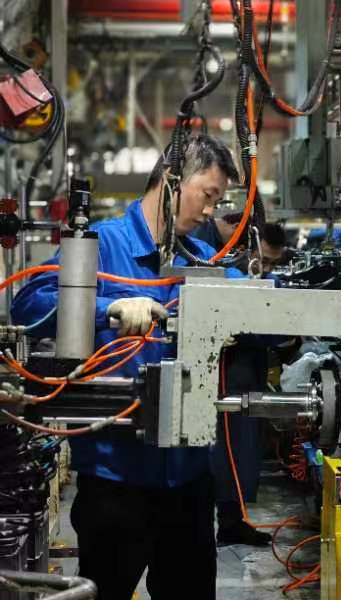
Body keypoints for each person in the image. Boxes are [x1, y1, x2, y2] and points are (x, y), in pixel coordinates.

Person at [11, 135, 242, 600]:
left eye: (218, 201)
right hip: (115, 482)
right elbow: (28, 304)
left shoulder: (200, 257)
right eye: (208, 194)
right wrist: (106, 309)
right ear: (173, 181)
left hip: (189, 483)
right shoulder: (103, 245)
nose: (210, 211)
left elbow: (257, 299)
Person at [192, 215, 287, 546]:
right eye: (265, 259)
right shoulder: (222, 270)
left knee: (243, 451)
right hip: (227, 372)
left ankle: (233, 521)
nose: (267, 267)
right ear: (248, 247)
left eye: (273, 263)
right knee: (225, 451)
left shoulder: (264, 279)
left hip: (248, 370)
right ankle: (215, 523)